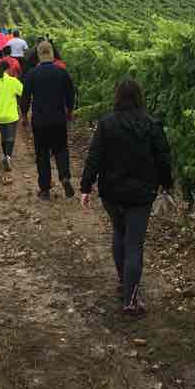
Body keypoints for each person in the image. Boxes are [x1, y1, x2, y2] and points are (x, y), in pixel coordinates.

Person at [80, 78, 173, 315]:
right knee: (134, 243)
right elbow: (163, 158)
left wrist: (86, 186)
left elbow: (95, 156)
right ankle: (130, 299)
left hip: (112, 192)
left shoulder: (106, 124)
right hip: (142, 194)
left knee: (119, 233)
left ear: (117, 97)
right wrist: (167, 186)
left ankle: (124, 281)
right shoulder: (152, 124)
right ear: (140, 97)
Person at [21, 41, 76, 200]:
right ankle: (64, 177)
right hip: (58, 119)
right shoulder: (62, 73)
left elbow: (25, 97)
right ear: (52, 53)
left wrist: (24, 115)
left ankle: (45, 189)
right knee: (61, 149)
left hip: (40, 121)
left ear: (39, 55)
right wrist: (70, 112)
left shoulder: (32, 74)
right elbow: (71, 94)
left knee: (42, 154)